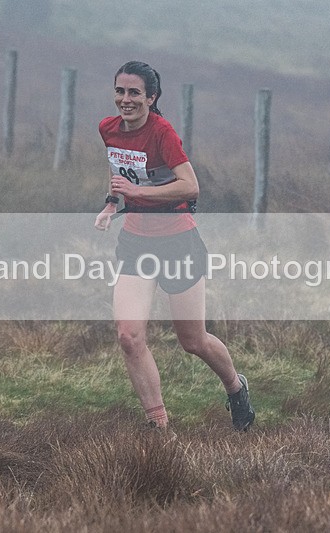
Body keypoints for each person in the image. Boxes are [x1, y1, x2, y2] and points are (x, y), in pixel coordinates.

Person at [94, 60, 255, 432]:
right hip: (135, 242)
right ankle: (158, 424)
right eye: (120, 91)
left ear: (151, 97)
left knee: (193, 340)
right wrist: (111, 203)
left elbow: (190, 185)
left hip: (178, 242)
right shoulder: (108, 129)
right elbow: (118, 168)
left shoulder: (162, 132)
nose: (125, 99)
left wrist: (139, 192)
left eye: (134, 92)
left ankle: (235, 386)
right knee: (128, 336)